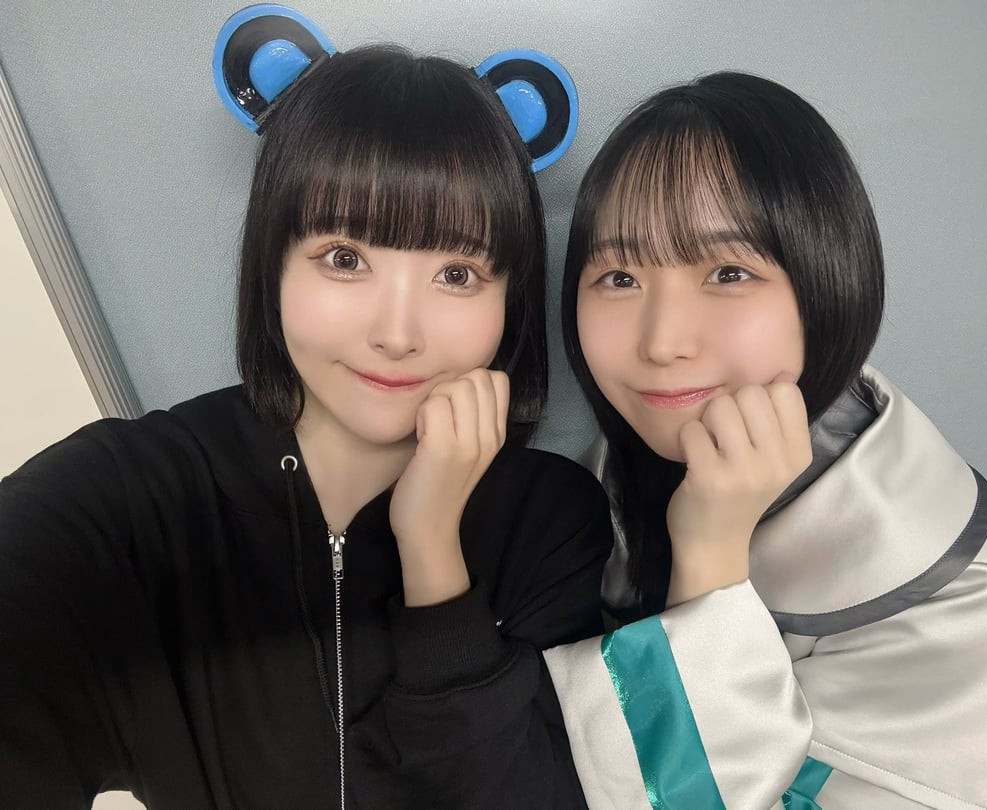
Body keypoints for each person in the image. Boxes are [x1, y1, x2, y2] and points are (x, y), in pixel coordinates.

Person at [0, 45, 612, 809]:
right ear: (275, 263)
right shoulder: (129, 498)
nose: (397, 334)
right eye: (344, 258)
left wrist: (431, 549)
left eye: (457, 274)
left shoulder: (554, 521)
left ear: (509, 296)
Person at [543, 71, 987, 808]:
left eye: (728, 271)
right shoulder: (609, 474)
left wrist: (710, 558)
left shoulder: (964, 603)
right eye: (619, 278)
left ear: (827, 281)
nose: (661, 343)